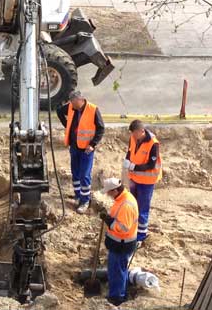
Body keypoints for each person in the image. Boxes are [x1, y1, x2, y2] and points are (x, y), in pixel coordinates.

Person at [57, 91, 105, 214]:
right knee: (75, 173)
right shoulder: (71, 107)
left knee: (84, 175)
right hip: (74, 146)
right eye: (71, 103)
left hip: (86, 149)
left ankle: (85, 201)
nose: (71, 106)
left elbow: (101, 129)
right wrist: (67, 125)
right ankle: (78, 195)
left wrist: (92, 144)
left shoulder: (93, 110)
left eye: (73, 103)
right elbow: (59, 111)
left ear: (81, 100)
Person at [99, 178, 138, 307]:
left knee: (117, 271)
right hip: (118, 243)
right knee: (118, 269)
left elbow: (123, 227)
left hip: (122, 244)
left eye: (109, 192)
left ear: (115, 190)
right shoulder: (121, 198)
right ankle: (120, 293)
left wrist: (109, 221)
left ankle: (117, 298)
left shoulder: (126, 204)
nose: (108, 195)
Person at [122, 119, 162, 245]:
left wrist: (134, 167)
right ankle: (132, 230)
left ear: (142, 131)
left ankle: (140, 236)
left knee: (143, 208)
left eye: (135, 133)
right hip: (134, 178)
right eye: (132, 133)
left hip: (147, 180)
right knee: (133, 205)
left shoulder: (153, 144)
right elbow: (130, 152)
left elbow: (151, 164)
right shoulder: (133, 138)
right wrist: (127, 161)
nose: (133, 136)